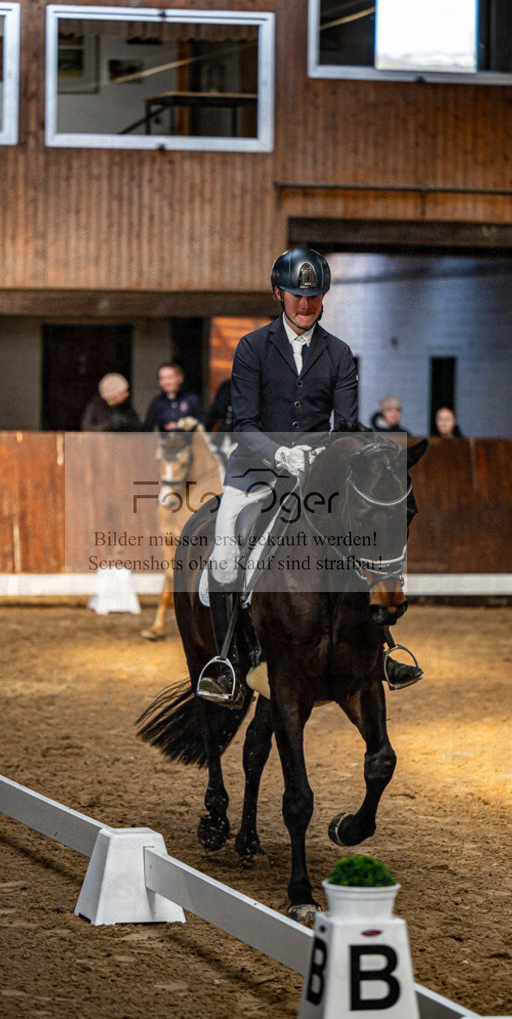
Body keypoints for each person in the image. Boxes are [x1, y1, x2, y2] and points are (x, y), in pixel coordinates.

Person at [199, 247, 421, 704]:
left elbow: (346, 426)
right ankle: (226, 663)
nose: (306, 305)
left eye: (315, 295)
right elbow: (244, 425)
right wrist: (281, 454)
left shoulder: (339, 354)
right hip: (256, 472)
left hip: (318, 479)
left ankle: (380, 652)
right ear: (279, 293)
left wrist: (325, 457)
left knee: (361, 545)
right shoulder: (252, 348)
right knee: (225, 551)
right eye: (298, 295)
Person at [143, 362, 206, 432]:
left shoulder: (191, 399)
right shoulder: (157, 402)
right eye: (162, 378)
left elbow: (204, 423)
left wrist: (181, 426)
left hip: (189, 441)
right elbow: (147, 428)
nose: (166, 382)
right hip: (166, 441)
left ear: (180, 378)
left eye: (170, 377)